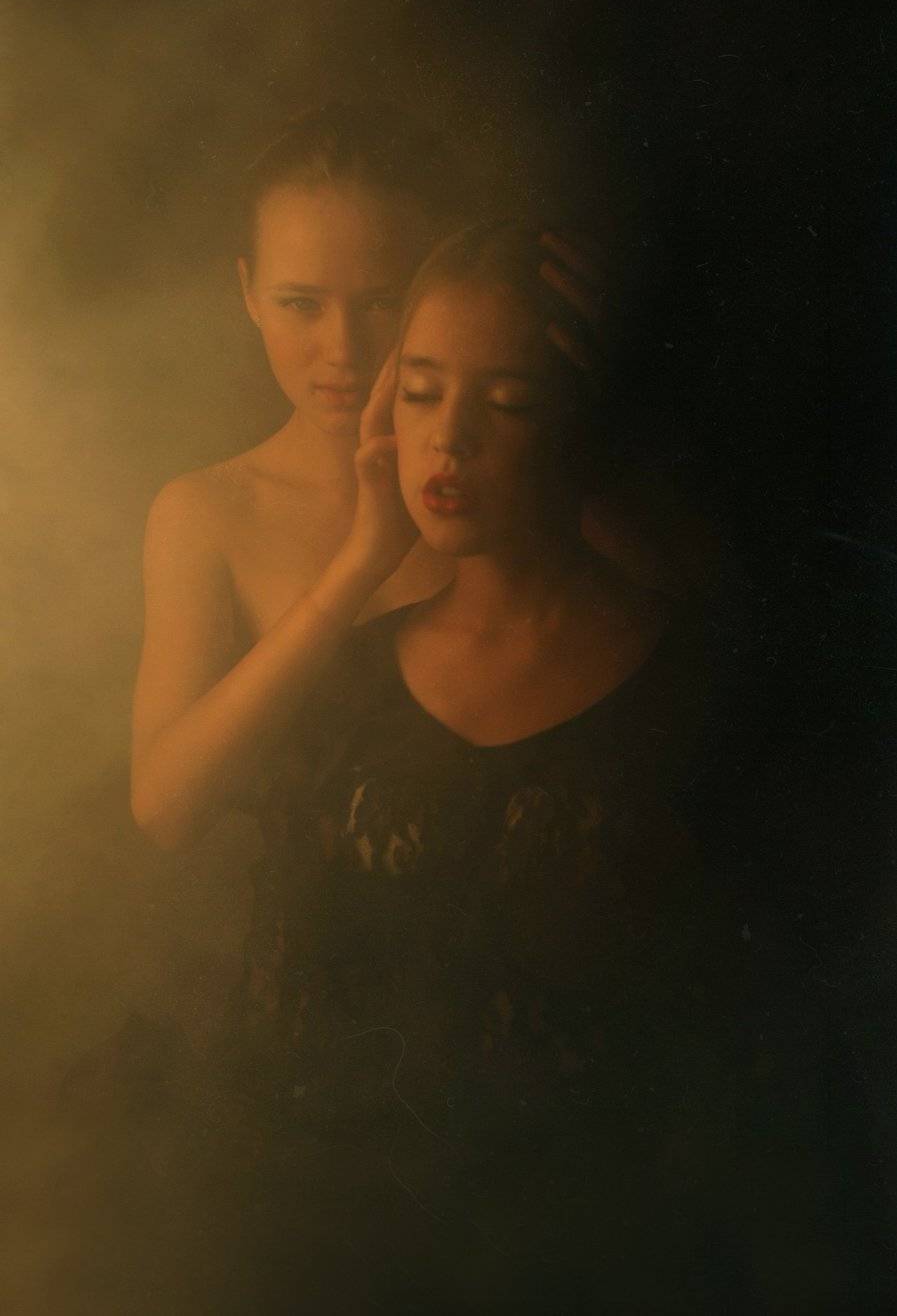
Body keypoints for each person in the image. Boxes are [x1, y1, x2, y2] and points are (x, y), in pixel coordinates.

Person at [212, 222, 878, 1315]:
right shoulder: (347, 685)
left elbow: (766, 1063)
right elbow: (278, 1021)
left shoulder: (701, 685)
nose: (449, 438)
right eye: (419, 393)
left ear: (584, 420)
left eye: (509, 402)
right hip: (352, 1258)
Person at [131, 103, 715, 855]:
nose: (342, 349)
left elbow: (702, 670)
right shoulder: (207, 511)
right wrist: (361, 561)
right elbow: (166, 810)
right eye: (300, 304)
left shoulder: (521, 488)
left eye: (382, 302)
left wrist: (600, 405)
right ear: (247, 292)